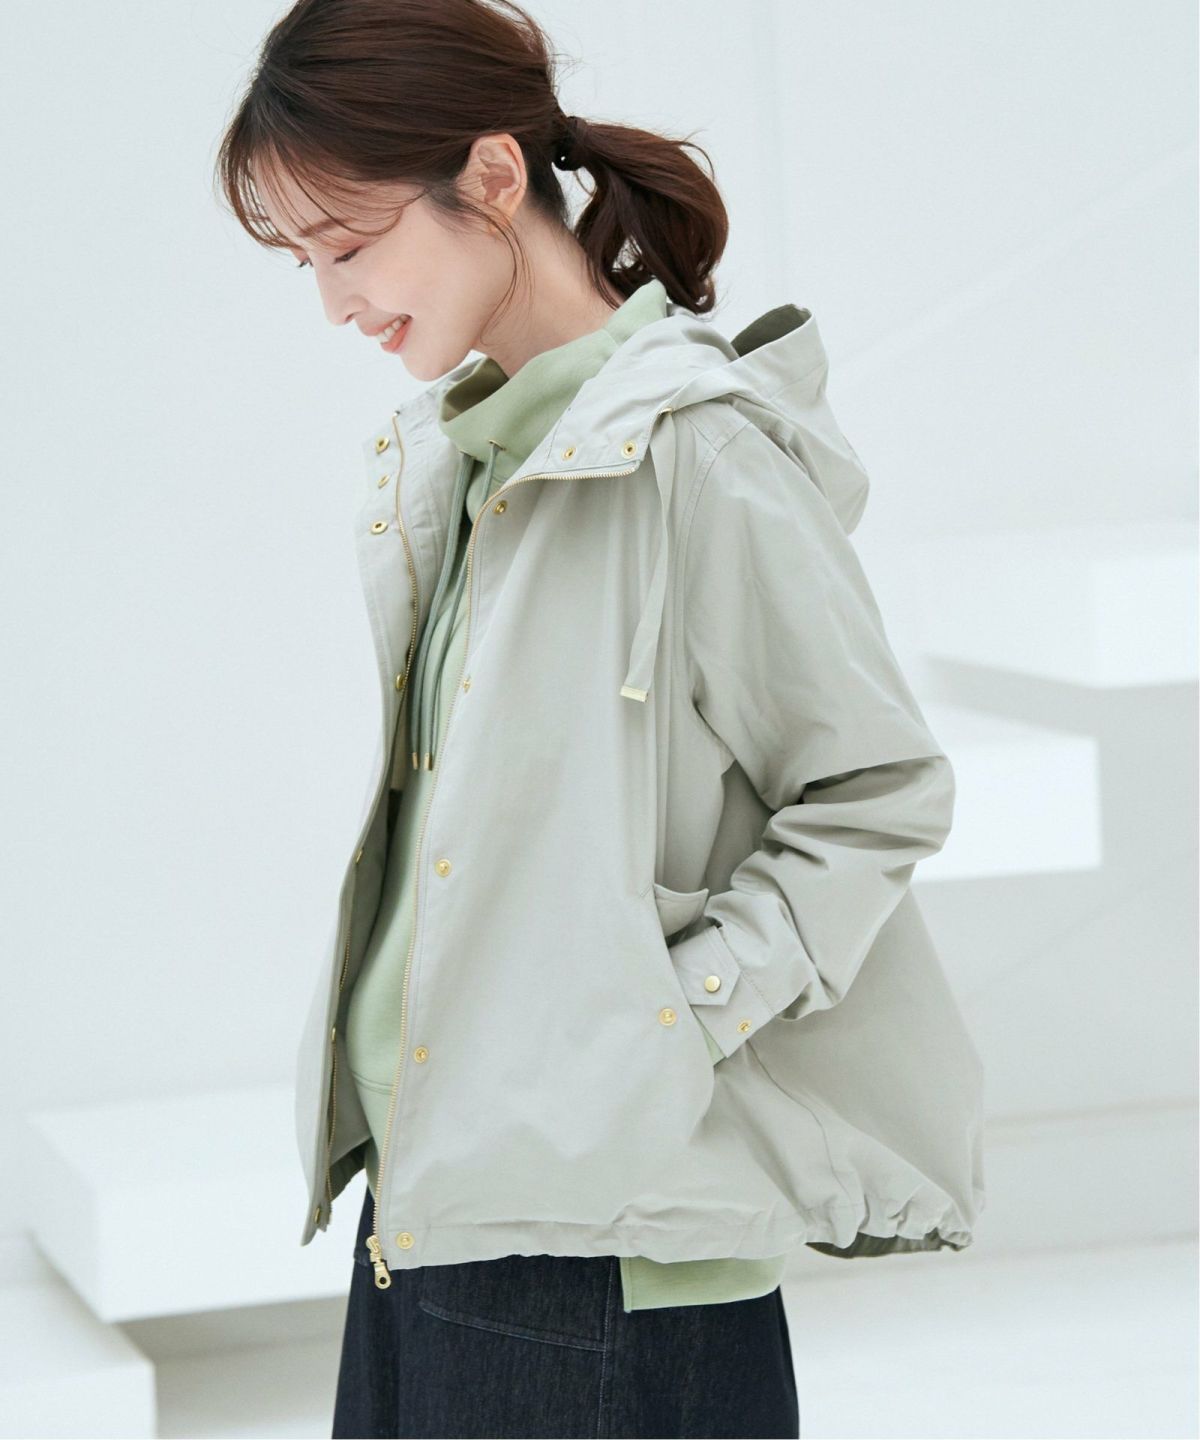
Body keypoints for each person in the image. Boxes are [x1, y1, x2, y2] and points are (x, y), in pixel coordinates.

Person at [214, 1, 986, 1435]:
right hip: (434, 1204)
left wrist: (663, 1024)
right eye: (306, 262)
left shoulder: (698, 455)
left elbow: (877, 790)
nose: (334, 303)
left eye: (350, 244)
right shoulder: (474, 464)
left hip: (600, 1249)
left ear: (492, 177)